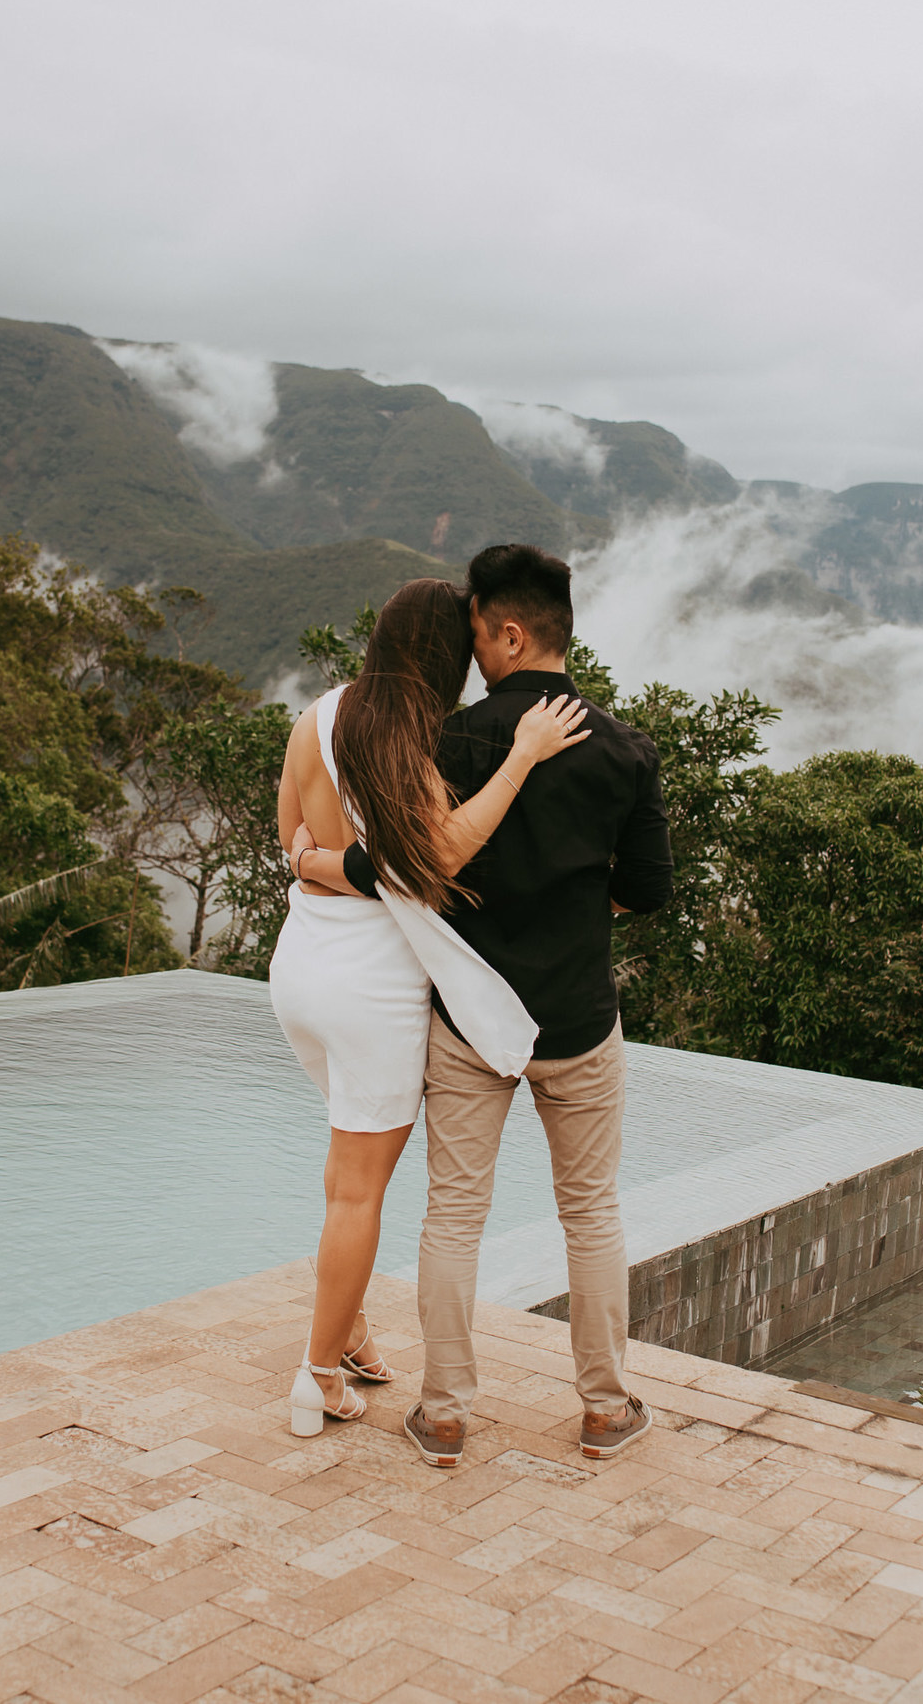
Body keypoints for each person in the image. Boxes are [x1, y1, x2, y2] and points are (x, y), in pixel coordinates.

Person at [336, 545, 674, 1465]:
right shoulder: (625, 749)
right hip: (578, 1019)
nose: (473, 652)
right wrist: (582, 906)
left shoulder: (451, 742)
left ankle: (444, 1415)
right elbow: (648, 888)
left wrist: (323, 865)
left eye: (479, 633)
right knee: (591, 1214)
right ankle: (605, 1410)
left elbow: (406, 862)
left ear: (511, 633)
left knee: (453, 1216)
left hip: (472, 1023)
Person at [269, 578, 589, 1438]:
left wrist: (314, 863)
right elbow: (437, 858)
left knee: (344, 1166)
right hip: (371, 987)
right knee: (360, 1191)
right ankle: (317, 1378)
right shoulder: (413, 740)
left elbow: (292, 833)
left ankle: (349, 1329)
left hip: (300, 969)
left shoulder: (317, 717)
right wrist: (522, 756)